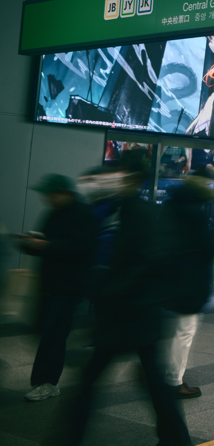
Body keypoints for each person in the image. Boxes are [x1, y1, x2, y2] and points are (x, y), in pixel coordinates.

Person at [61, 155, 192, 446]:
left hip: (133, 314)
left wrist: (109, 290)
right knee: (149, 383)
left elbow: (147, 261)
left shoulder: (139, 212)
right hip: (128, 315)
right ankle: (176, 440)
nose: (110, 177)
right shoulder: (118, 209)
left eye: (117, 172)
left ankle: (69, 438)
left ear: (132, 177)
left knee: (94, 383)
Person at [16, 175, 97, 402]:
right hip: (49, 285)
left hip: (68, 287)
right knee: (44, 330)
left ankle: (48, 382)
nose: (47, 199)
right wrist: (30, 243)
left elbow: (82, 248)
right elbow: (46, 243)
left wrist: (48, 245)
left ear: (64, 192)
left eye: (51, 194)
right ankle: (48, 377)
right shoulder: (53, 213)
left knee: (53, 335)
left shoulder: (83, 214)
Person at [160, 172, 214, 398]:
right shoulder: (194, 211)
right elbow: (204, 248)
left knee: (179, 331)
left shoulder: (172, 205)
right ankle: (174, 380)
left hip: (175, 280)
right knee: (185, 331)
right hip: (189, 283)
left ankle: (169, 376)